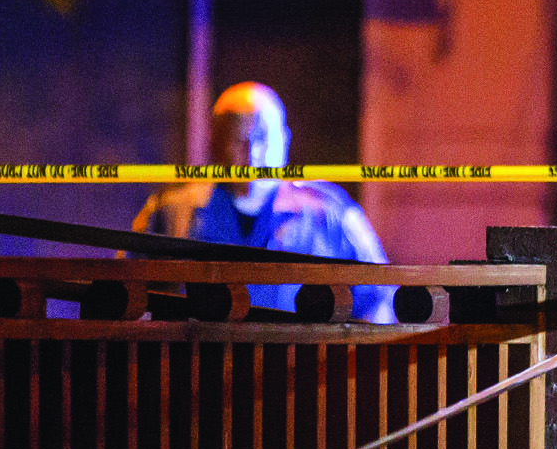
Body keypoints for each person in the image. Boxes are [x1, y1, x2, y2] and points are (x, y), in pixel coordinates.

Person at [134, 82, 394, 321]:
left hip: (300, 367)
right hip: (195, 367)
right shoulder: (170, 212)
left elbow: (378, 300)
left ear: (285, 140)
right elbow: (127, 296)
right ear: (214, 142)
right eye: (239, 140)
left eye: (262, 139)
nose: (253, 154)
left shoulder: (328, 212)